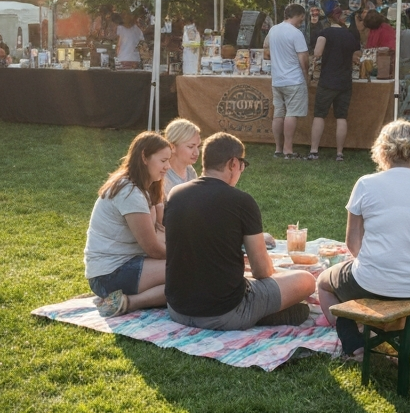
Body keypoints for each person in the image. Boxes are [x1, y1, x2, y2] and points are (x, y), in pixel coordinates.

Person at [317, 121, 410, 356]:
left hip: (375, 281)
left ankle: (355, 345)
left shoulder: (366, 184)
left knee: (325, 283)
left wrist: (376, 263)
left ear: (381, 150)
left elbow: (352, 242)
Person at [165, 133, 316, 329]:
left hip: (178, 309)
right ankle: (261, 315)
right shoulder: (241, 201)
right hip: (224, 312)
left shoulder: (175, 194)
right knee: (306, 280)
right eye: (242, 165)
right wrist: (279, 274)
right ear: (233, 163)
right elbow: (261, 271)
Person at [83, 132, 173, 317]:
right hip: (107, 276)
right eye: (163, 160)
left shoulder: (140, 189)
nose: (168, 167)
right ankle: (127, 303)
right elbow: (153, 249)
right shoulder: (129, 192)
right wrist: (188, 255)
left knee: (192, 274)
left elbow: (158, 235)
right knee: (190, 273)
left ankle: (124, 300)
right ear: (144, 157)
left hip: (123, 266)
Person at [309, 6, 360, 161]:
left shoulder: (324, 33)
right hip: (345, 81)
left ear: (329, 19)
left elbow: (317, 53)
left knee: (319, 115)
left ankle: (314, 150)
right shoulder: (351, 36)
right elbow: (357, 57)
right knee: (341, 117)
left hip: (327, 80)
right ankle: (339, 153)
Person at [266, 3, 310, 159]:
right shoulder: (296, 33)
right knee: (291, 113)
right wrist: (306, 74)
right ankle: (288, 149)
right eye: (302, 18)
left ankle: (278, 148)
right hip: (293, 79)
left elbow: (266, 50)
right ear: (298, 15)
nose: (302, 22)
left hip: (277, 79)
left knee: (278, 113)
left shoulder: (273, 30)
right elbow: (303, 58)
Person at [162, 118, 201, 198]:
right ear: (172, 147)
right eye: (191, 147)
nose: (196, 152)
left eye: (198, 146)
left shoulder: (190, 170)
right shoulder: (162, 175)